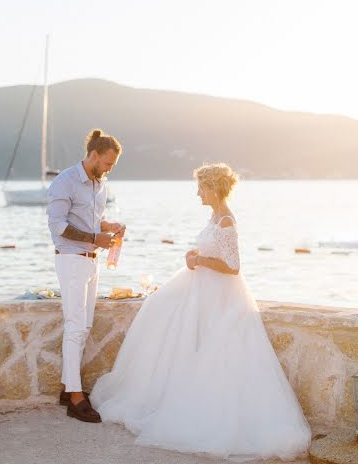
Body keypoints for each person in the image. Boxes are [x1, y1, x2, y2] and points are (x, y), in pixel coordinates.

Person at [91, 163, 311, 460]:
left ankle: (207, 412)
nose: (197, 193)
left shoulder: (227, 223)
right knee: (158, 310)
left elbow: (233, 267)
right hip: (204, 291)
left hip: (221, 297)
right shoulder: (214, 217)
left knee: (216, 353)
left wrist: (200, 260)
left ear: (213, 188)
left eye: (201, 187)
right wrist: (195, 258)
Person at [47, 128, 125, 423]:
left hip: (93, 262)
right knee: (75, 327)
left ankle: (69, 389)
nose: (109, 169)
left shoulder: (100, 185)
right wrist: (94, 235)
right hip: (70, 259)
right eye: (107, 163)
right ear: (93, 155)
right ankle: (76, 399)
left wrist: (107, 227)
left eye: (112, 165)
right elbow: (57, 226)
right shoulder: (64, 181)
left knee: (85, 326)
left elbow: (92, 220)